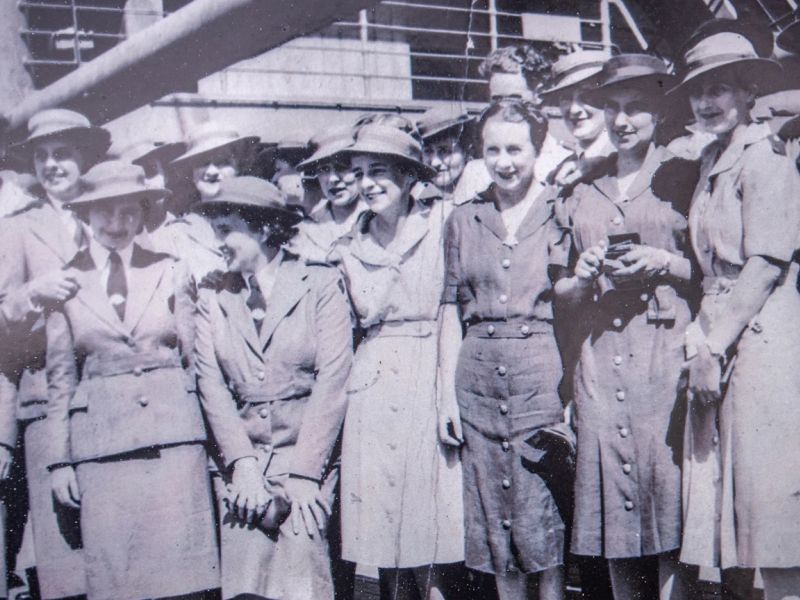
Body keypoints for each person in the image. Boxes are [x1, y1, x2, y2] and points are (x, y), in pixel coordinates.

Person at [553, 54, 698, 600]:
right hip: (600, 362)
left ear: (659, 112)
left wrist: (662, 261)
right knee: (613, 516)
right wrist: (582, 275)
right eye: (611, 108)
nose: (622, 120)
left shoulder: (682, 175)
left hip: (664, 360)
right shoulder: (582, 186)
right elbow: (561, 294)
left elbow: (708, 271)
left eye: (636, 107)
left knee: (668, 511)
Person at [44, 160, 219, 600]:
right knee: (120, 584)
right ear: (85, 215)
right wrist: (59, 460)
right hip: (102, 451)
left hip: (173, 444)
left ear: (144, 214)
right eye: (104, 212)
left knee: (184, 582)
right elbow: (60, 381)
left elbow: (193, 360)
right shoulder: (67, 283)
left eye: (129, 212)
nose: (117, 224)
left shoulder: (170, 269)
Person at [670, 23, 800, 600]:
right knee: (733, 507)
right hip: (722, 329)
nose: (707, 101)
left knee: (767, 504)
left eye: (721, 87)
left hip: (761, 333)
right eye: (700, 91)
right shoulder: (713, 161)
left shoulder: (764, 159)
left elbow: (765, 265)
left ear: (749, 91)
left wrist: (712, 345)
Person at [193, 175, 353, 600]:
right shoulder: (213, 295)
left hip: (306, 456)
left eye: (227, 230)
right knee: (246, 584)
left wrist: (305, 473)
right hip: (241, 464)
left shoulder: (319, 284)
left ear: (263, 228)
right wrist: (242, 464)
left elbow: (333, 380)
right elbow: (211, 384)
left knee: (303, 576)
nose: (218, 241)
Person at [437, 97, 569, 600]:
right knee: (494, 515)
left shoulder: (559, 210)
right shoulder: (463, 220)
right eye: (493, 150)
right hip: (477, 382)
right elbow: (451, 312)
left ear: (538, 149)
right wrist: (447, 398)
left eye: (515, 148)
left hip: (541, 374)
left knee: (543, 511)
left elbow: (572, 311)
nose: (504, 161)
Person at [332, 121, 465, 600]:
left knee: (432, 530)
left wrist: (448, 391)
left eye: (380, 171)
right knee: (383, 534)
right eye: (360, 172)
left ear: (411, 177)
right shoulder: (345, 246)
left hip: (428, 373)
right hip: (371, 385)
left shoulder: (443, 226)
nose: (367, 183)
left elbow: (451, 308)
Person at [0, 108, 111, 600]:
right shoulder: (19, 229)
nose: (51, 165)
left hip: (113, 392)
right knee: (66, 555)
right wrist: (34, 292)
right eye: (41, 157)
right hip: (46, 402)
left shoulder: (115, 209)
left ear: (84, 157)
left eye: (62, 153)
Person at [452, 45, 572, 205]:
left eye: (514, 98)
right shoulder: (475, 171)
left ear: (539, 94)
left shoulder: (563, 162)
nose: (504, 108)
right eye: (496, 100)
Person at [154, 120, 259, 286]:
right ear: (191, 172)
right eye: (202, 163)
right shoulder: (176, 235)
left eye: (222, 162)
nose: (211, 172)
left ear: (239, 166)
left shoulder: (260, 224)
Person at [539, 50, 614, 190]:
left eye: (586, 95)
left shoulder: (628, 161)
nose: (574, 109)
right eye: (566, 98)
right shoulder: (557, 174)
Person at [292, 124, 365, 262]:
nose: (332, 179)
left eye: (342, 167)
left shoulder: (379, 218)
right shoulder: (306, 227)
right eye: (324, 169)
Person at [417, 104, 474, 207]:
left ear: (467, 151)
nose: (435, 162)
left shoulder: (484, 196)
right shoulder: (416, 202)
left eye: (445, 150)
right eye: (428, 151)